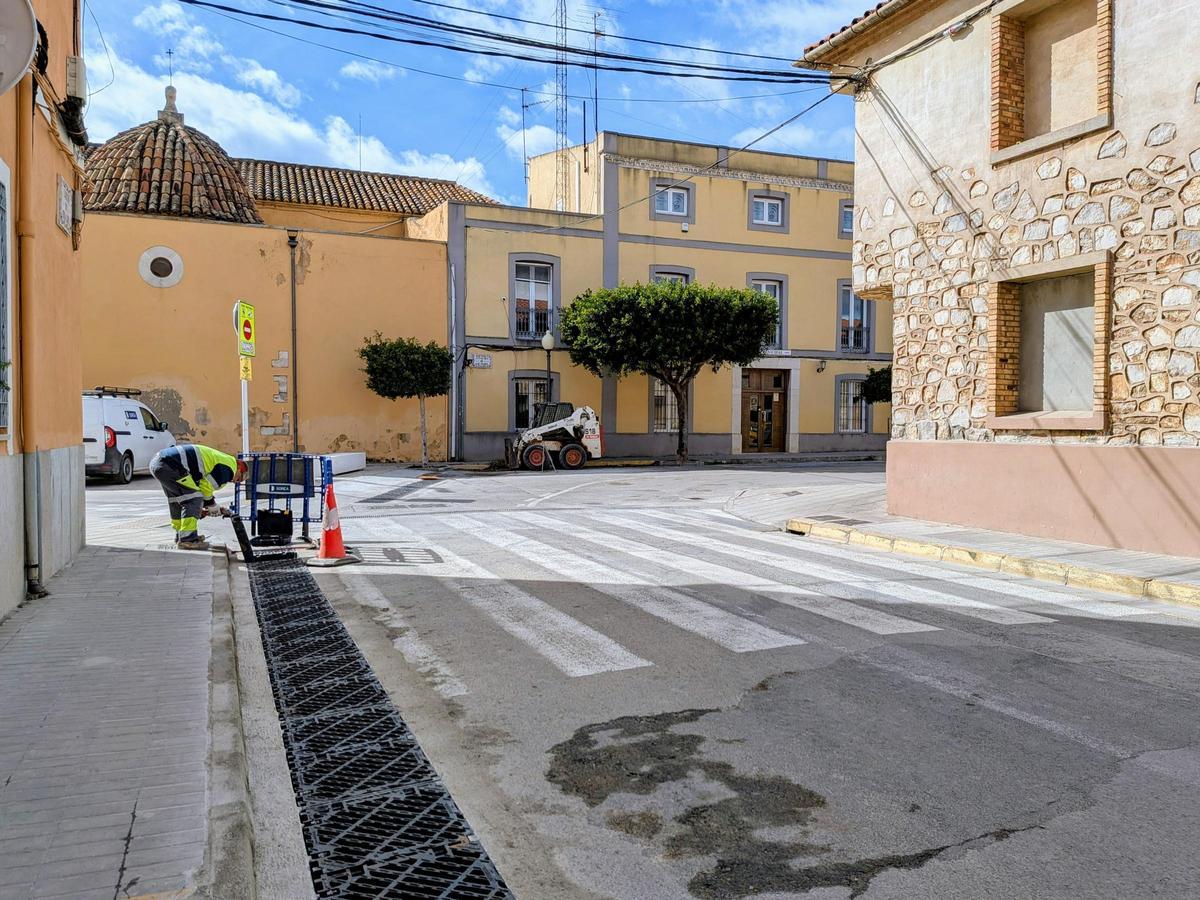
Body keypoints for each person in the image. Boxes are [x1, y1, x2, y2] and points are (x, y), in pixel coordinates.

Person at [149, 444, 247, 550]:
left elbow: (199, 485)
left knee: (177, 501)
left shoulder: (223, 459)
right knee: (194, 498)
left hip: (159, 462)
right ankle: (188, 540)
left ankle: (180, 536)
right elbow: (205, 487)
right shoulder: (230, 468)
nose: (235, 481)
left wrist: (200, 508)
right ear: (239, 469)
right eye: (239, 478)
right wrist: (212, 506)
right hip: (171, 465)